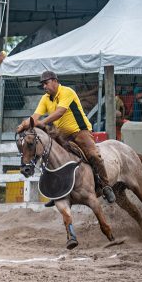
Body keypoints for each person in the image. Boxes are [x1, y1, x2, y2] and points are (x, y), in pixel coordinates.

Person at [16, 71, 116, 204]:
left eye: (46, 83)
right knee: (50, 156)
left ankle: (106, 186)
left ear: (55, 81)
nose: (44, 87)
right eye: (43, 84)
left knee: (93, 155)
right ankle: (57, 192)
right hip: (62, 135)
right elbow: (35, 117)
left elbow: (59, 112)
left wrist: (42, 123)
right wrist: (23, 124)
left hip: (80, 131)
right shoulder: (45, 98)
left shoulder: (67, 92)